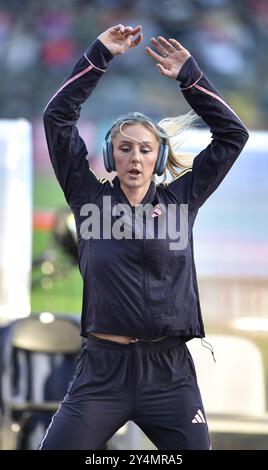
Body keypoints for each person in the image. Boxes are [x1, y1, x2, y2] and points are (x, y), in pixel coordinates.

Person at [39, 24, 248, 450]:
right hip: (103, 370)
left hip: (168, 373)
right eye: (125, 148)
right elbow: (57, 118)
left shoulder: (180, 201)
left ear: (159, 158)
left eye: (146, 149)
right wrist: (99, 55)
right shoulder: (89, 200)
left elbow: (233, 136)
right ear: (111, 155)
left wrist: (190, 77)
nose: (135, 157)